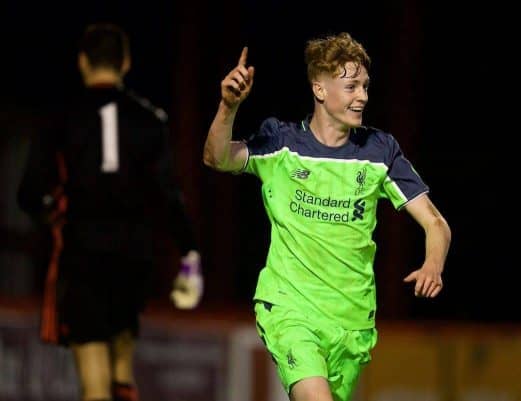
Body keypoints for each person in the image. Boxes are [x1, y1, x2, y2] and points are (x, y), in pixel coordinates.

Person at [202, 32, 451, 401]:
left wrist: (433, 263)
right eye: (351, 86)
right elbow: (217, 157)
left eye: (365, 86)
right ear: (320, 89)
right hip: (290, 308)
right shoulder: (281, 143)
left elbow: (435, 222)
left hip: (352, 322)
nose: (362, 96)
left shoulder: (379, 151)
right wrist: (228, 107)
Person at [17, 23, 203, 401]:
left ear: (83, 62)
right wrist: (189, 254)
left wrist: (53, 212)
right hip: (133, 257)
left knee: (95, 383)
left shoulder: (62, 116)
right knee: (121, 369)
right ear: (126, 63)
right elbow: (169, 196)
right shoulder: (151, 119)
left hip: (82, 254)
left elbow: (30, 192)